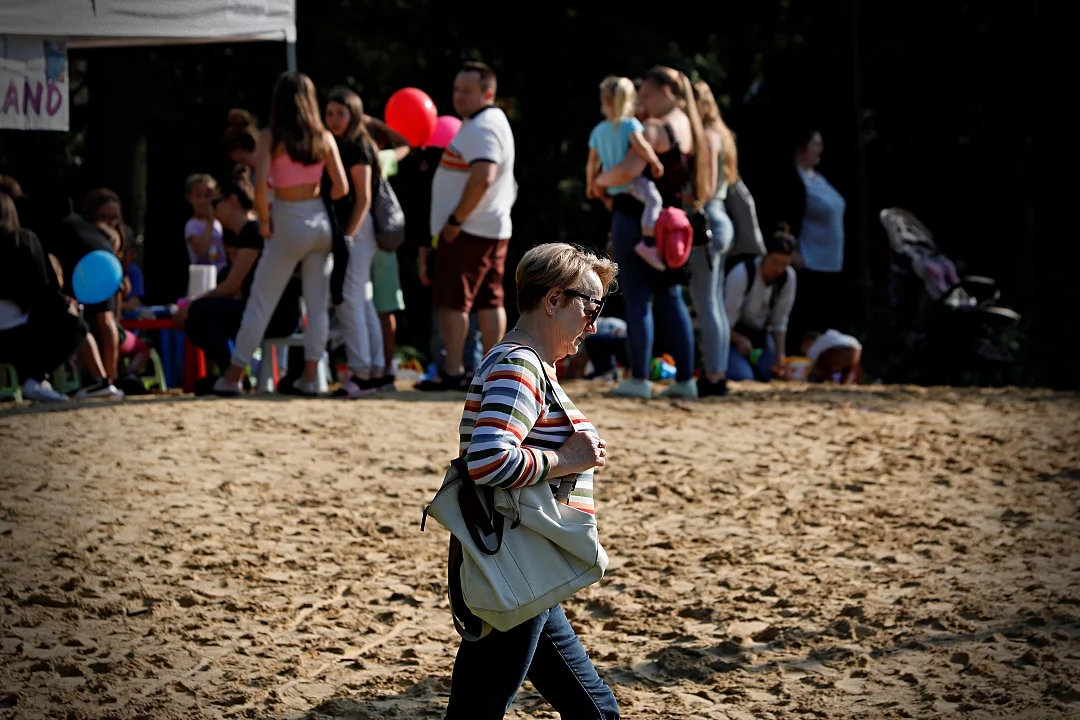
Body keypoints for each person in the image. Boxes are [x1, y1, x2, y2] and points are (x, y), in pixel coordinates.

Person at [445, 243, 619, 720]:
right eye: (592, 306)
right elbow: (487, 461)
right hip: (516, 564)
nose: (594, 324)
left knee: (596, 711)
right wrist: (566, 458)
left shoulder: (526, 362)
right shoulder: (518, 364)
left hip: (524, 568)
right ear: (553, 299)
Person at [212, 71, 348, 397]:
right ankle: (311, 377)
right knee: (317, 305)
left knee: (261, 300)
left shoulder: (270, 138)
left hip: (287, 218)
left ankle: (233, 375)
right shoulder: (324, 138)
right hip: (319, 221)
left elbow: (259, 186)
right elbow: (341, 187)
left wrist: (263, 221)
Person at [594, 66, 709, 399]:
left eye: (645, 95)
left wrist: (598, 181)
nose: (640, 103)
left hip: (637, 220)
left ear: (665, 93)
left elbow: (627, 171)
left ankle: (640, 378)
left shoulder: (655, 128)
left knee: (639, 297)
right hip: (672, 223)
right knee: (671, 298)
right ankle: (686, 378)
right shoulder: (688, 127)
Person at [420, 61, 517, 392]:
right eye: (456, 89)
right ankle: (495, 373)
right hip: (490, 225)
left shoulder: (483, 127)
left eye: (467, 90)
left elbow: (483, 175)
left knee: (454, 302)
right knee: (490, 301)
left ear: (487, 93)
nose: (459, 96)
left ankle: (453, 370)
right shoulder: (490, 121)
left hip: (469, 230)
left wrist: (456, 220)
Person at [177, 171, 301, 388]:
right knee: (203, 313)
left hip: (275, 316)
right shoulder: (245, 232)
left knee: (199, 313)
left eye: (215, 202)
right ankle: (231, 372)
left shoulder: (252, 231)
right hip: (269, 312)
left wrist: (191, 304)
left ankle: (231, 375)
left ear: (232, 201)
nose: (211, 209)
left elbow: (231, 285)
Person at [0, 190, 122, 401]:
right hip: (18, 336)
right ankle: (39, 378)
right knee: (76, 323)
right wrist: (65, 305)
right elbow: (41, 289)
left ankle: (100, 380)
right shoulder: (25, 239)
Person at [686, 80, 738, 398]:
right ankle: (717, 372)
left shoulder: (705, 136)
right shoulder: (723, 135)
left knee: (706, 302)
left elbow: (703, 187)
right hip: (722, 218)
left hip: (708, 221)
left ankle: (713, 375)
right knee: (714, 303)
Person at [775, 127, 847, 352]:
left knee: (826, 325)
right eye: (816, 144)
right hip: (809, 263)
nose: (821, 149)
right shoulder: (793, 180)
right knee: (805, 322)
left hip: (830, 263)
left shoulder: (819, 178)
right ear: (803, 147)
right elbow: (784, 216)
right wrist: (791, 250)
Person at [586, 76, 666, 270]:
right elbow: (641, 145)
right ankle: (648, 241)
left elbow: (591, 163)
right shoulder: (630, 125)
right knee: (654, 199)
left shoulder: (597, 131)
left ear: (605, 102)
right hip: (629, 183)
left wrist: (591, 185)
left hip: (611, 188)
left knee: (613, 208)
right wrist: (655, 162)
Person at [52, 188, 125, 387]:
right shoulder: (89, 236)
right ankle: (105, 380)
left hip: (92, 274)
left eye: (115, 218)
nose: (111, 223)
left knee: (99, 319)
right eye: (105, 217)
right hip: (86, 273)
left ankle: (108, 380)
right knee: (91, 320)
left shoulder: (106, 240)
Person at [724, 229, 798, 382]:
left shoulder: (787, 278)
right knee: (743, 377)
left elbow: (780, 321)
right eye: (774, 262)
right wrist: (738, 339)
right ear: (765, 256)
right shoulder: (743, 273)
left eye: (784, 264)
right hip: (732, 337)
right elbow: (724, 322)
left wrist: (780, 356)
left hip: (761, 338)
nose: (778, 269)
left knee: (773, 374)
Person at [183, 174, 227, 274]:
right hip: (203, 276)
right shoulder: (192, 225)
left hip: (221, 274)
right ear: (190, 199)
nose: (203, 201)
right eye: (198, 196)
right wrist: (210, 221)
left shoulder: (220, 222)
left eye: (208, 196)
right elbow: (202, 249)